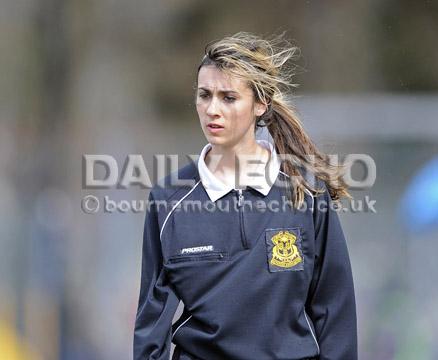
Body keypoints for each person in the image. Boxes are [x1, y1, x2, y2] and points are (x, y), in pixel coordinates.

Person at [133, 31, 357, 360]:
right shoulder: (169, 200)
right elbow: (151, 323)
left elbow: (335, 311)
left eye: (228, 97)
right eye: (204, 95)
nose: (212, 109)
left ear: (260, 103)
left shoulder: (305, 192)